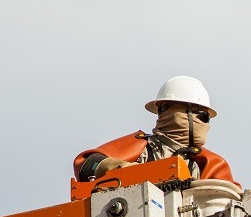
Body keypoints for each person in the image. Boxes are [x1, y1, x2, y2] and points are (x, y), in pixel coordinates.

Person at [74, 76, 238, 186]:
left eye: (204, 117)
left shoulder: (207, 163)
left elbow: (230, 200)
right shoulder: (144, 148)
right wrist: (122, 169)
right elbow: (87, 165)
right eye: (202, 116)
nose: (202, 123)